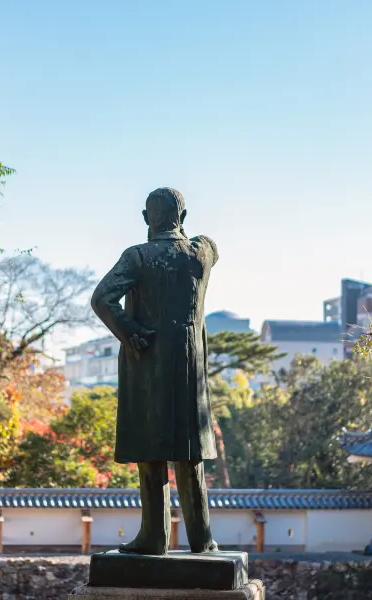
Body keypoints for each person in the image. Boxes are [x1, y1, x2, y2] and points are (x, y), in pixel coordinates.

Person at [90, 187, 219, 555]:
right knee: (189, 453)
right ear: (185, 216)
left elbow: (102, 299)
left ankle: (154, 536)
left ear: (147, 218)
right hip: (190, 370)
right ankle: (202, 539)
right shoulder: (202, 253)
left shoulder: (138, 257)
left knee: (152, 453)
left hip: (148, 364)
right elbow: (210, 243)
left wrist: (130, 332)